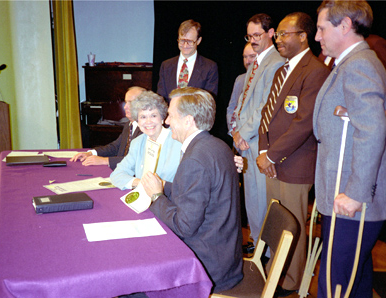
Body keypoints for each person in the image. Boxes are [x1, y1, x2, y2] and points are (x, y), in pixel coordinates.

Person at [313, 1, 386, 297]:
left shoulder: (358, 65)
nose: (317, 36)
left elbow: (372, 130)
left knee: (334, 283)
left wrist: (356, 193)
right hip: (342, 195)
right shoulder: (348, 63)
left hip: (350, 199)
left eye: (321, 28)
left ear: (344, 25)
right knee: (354, 281)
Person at [141, 87, 243, 292]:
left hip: (206, 268)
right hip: (224, 256)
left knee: (136, 282)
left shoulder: (195, 158)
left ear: (188, 120)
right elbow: (201, 191)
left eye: (170, 115)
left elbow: (183, 226)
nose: (167, 121)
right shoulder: (217, 145)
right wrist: (163, 186)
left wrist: (156, 196)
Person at [256, 12, 330, 296]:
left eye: (285, 34)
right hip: (271, 162)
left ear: (303, 36)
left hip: (293, 165)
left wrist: (271, 156)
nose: (278, 39)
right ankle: (276, 271)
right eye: (278, 34)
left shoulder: (315, 71)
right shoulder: (281, 70)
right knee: (277, 224)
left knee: (293, 228)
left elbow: (303, 124)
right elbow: (268, 114)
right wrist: (264, 152)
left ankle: (290, 283)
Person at [230, 13, 285, 251]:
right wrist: (235, 132)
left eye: (257, 35)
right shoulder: (256, 62)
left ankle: (268, 251)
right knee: (251, 200)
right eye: (249, 35)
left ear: (271, 33)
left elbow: (266, 105)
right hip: (244, 141)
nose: (252, 40)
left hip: (257, 141)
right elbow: (242, 101)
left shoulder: (276, 62)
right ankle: (256, 243)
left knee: (261, 198)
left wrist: (244, 133)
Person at [110, 91, 182, 190]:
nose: (148, 122)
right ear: (137, 121)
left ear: (162, 117)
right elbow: (117, 174)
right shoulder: (137, 143)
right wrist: (142, 183)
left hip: (169, 200)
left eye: (153, 116)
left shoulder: (178, 142)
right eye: (143, 117)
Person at [70, 87, 145, 170]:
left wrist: (104, 161)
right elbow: (115, 147)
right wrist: (91, 153)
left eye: (131, 103)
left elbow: (135, 160)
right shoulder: (129, 124)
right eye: (126, 102)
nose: (125, 107)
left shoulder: (146, 129)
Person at [157, 19, 218, 102]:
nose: (185, 45)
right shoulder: (166, 66)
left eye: (189, 41)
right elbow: (161, 99)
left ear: (198, 41)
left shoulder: (210, 67)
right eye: (182, 40)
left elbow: (208, 102)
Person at [226, 43, 257, 132]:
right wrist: (233, 132)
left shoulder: (267, 78)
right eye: (245, 57)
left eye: (252, 56)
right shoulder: (240, 79)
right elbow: (231, 108)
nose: (247, 61)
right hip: (236, 137)